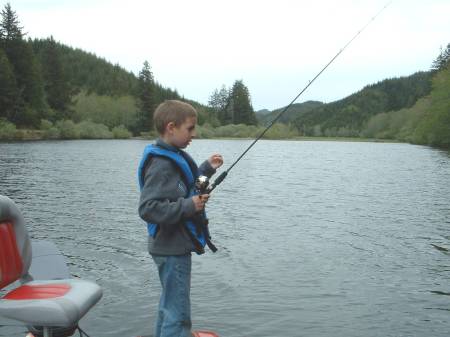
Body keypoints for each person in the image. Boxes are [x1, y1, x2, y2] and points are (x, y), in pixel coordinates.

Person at [138, 99, 223, 337]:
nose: (194, 134)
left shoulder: (171, 155)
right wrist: (189, 206)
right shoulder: (161, 164)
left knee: (169, 307)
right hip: (171, 249)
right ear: (171, 127)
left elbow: (184, 184)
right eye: (190, 128)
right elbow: (149, 208)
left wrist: (206, 168)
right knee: (178, 314)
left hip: (169, 247)